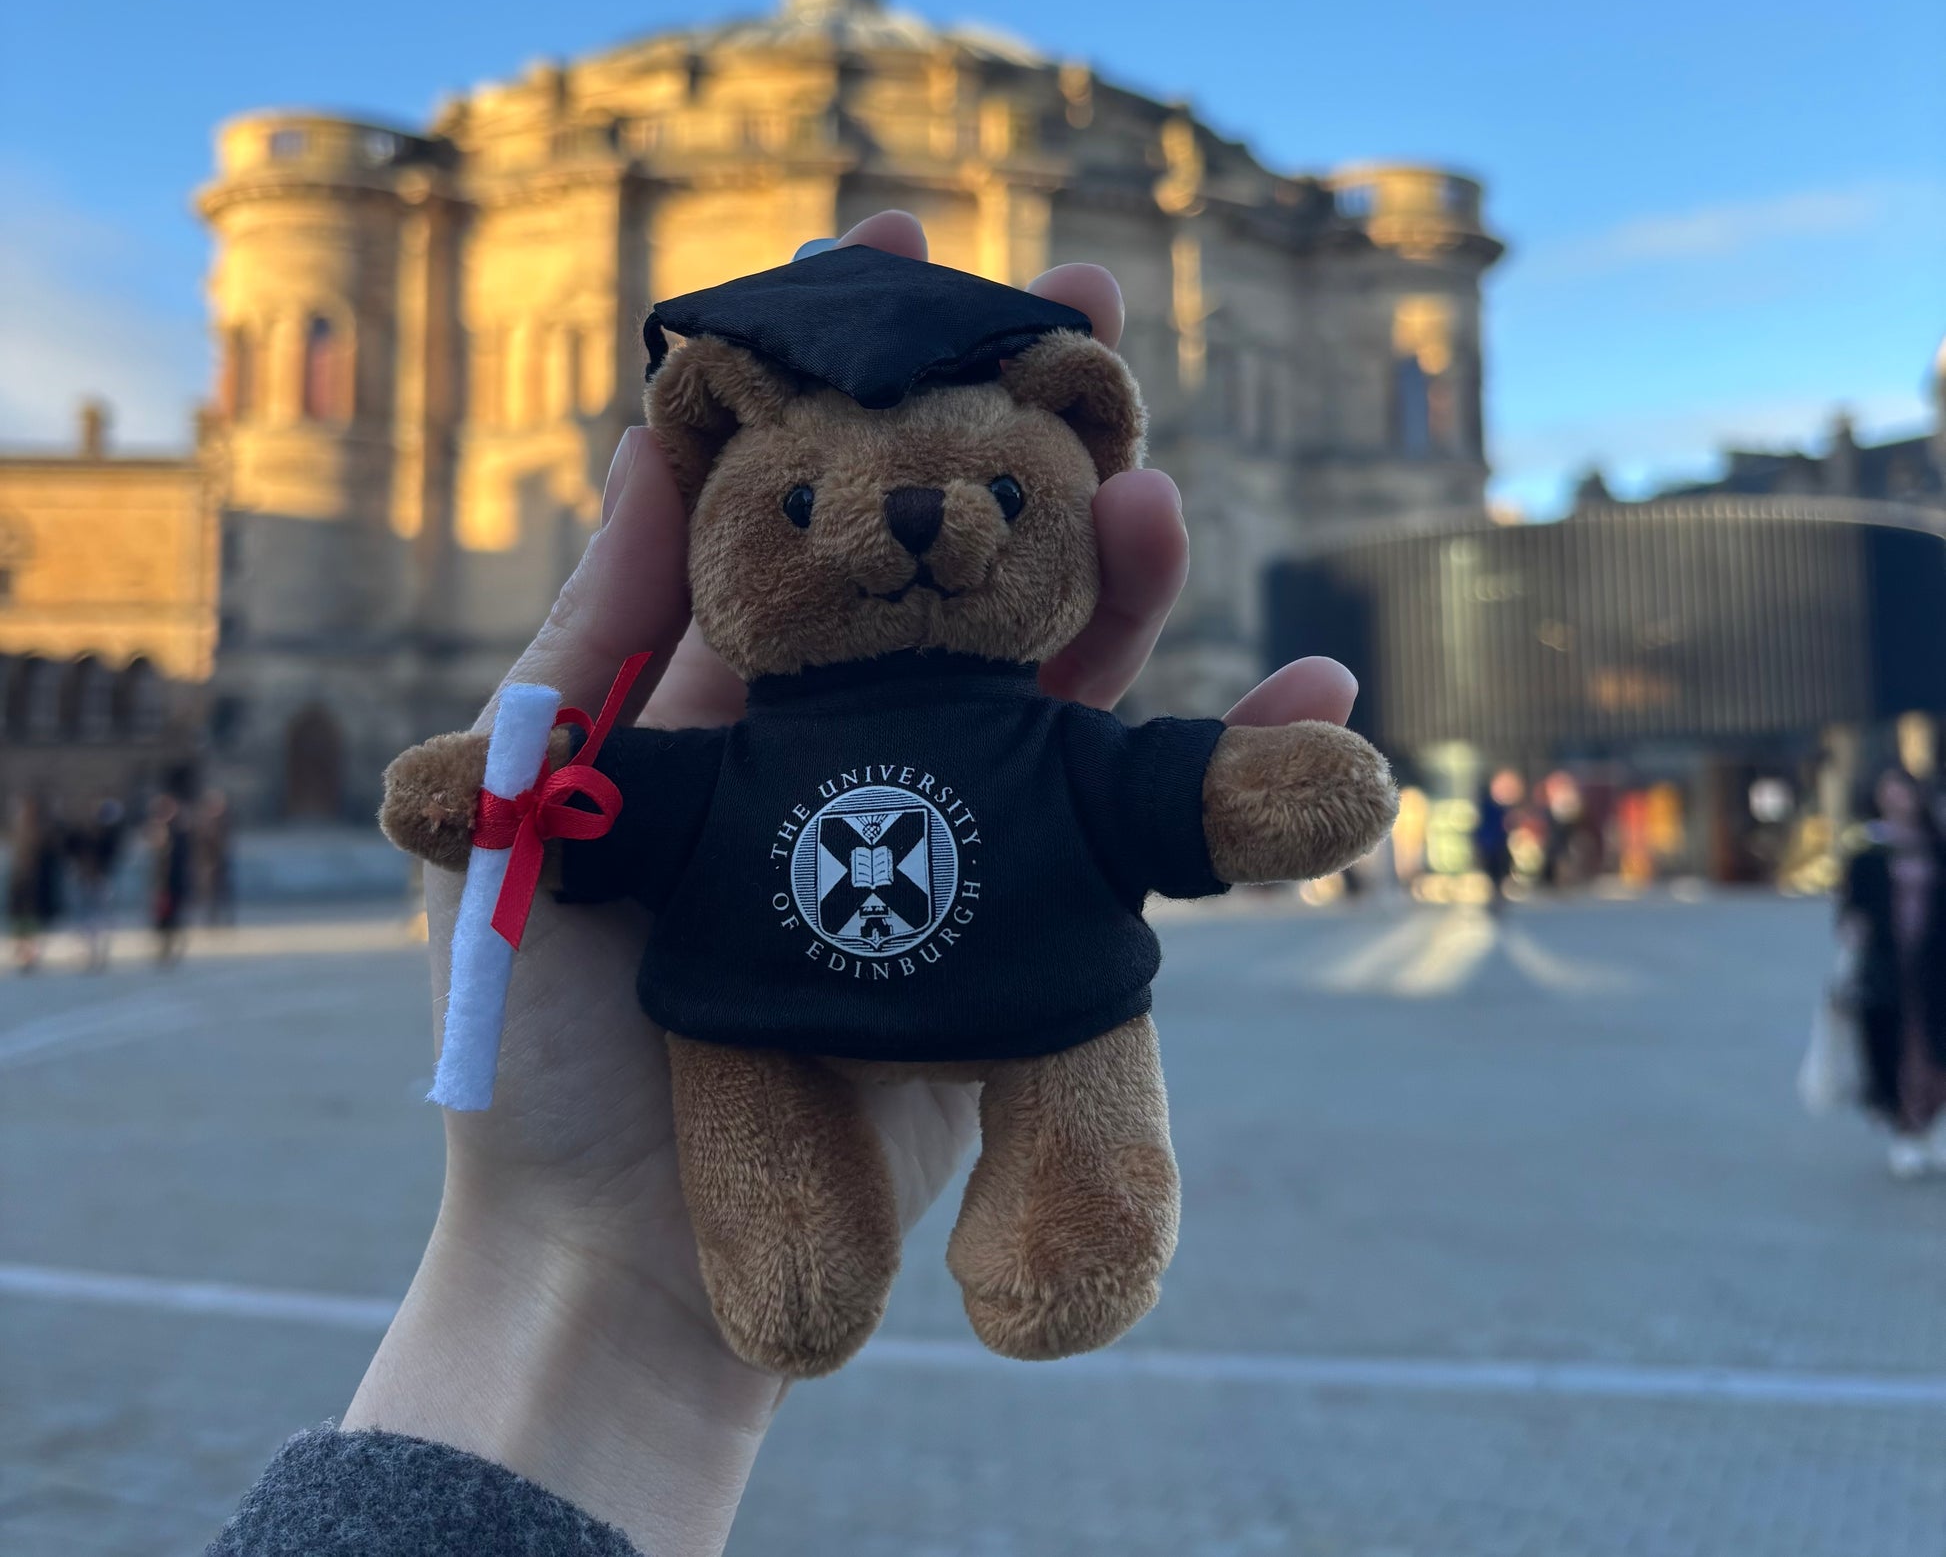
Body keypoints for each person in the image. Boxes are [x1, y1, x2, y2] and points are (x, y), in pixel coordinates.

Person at [206, 214, 1370, 1557]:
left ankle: (1049, 1211)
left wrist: (1250, 789)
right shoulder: (741, 750)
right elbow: (600, 810)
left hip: (979, 997)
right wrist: (512, 792)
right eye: (801, 501)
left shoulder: (1042, 742)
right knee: (780, 1116)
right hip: (786, 1013)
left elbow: (1172, 789)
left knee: (1056, 1098)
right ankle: (798, 1239)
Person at [1837, 766, 1946, 1179]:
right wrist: (1853, 931)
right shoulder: (1869, 848)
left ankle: (1931, 1125)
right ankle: (1906, 1130)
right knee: (1899, 1047)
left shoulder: (1936, 844)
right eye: (1890, 792)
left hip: (1936, 962)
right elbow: (1851, 906)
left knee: (1936, 1047)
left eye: (1904, 791)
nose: (1899, 799)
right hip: (1889, 963)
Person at [67, 796, 126, 972]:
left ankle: (99, 952)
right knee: (84, 920)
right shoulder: (79, 835)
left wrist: (99, 870)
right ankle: (87, 952)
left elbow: (112, 856)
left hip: (101, 880)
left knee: (101, 919)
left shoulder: (106, 837)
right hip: (83, 880)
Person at [7, 792, 62, 973]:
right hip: (21, 880)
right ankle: (23, 952)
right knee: (20, 920)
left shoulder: (40, 831)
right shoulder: (18, 829)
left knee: (32, 919)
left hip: (34, 882)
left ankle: (30, 954)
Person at [148, 793, 192, 968]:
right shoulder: (158, 832)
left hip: (175, 882)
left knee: (174, 917)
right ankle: (163, 948)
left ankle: (171, 947)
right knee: (161, 918)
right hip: (161, 884)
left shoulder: (179, 833)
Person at [1474, 767, 1523, 915]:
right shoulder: (1493, 808)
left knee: (1497, 874)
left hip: (1494, 846)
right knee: (1496, 874)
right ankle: (1496, 899)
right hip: (1493, 846)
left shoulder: (1490, 807)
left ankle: (1497, 898)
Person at [196, 789, 236, 926]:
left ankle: (227, 918)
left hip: (221, 860)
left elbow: (225, 840)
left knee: (224, 890)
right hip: (207, 861)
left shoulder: (224, 820)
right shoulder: (204, 820)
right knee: (209, 893)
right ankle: (211, 918)